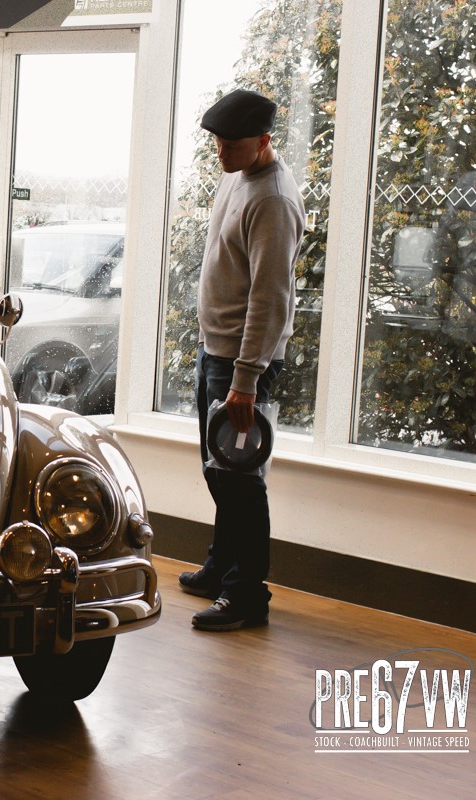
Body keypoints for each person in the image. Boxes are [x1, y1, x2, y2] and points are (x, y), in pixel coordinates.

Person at [179, 88, 305, 631]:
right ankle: (222, 565)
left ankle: (247, 594)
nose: (220, 153)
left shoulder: (273, 199)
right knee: (219, 470)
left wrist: (247, 380)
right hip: (219, 351)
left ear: (264, 141)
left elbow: (270, 297)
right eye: (216, 142)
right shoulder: (237, 176)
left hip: (242, 363)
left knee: (239, 479)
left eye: (230, 144)